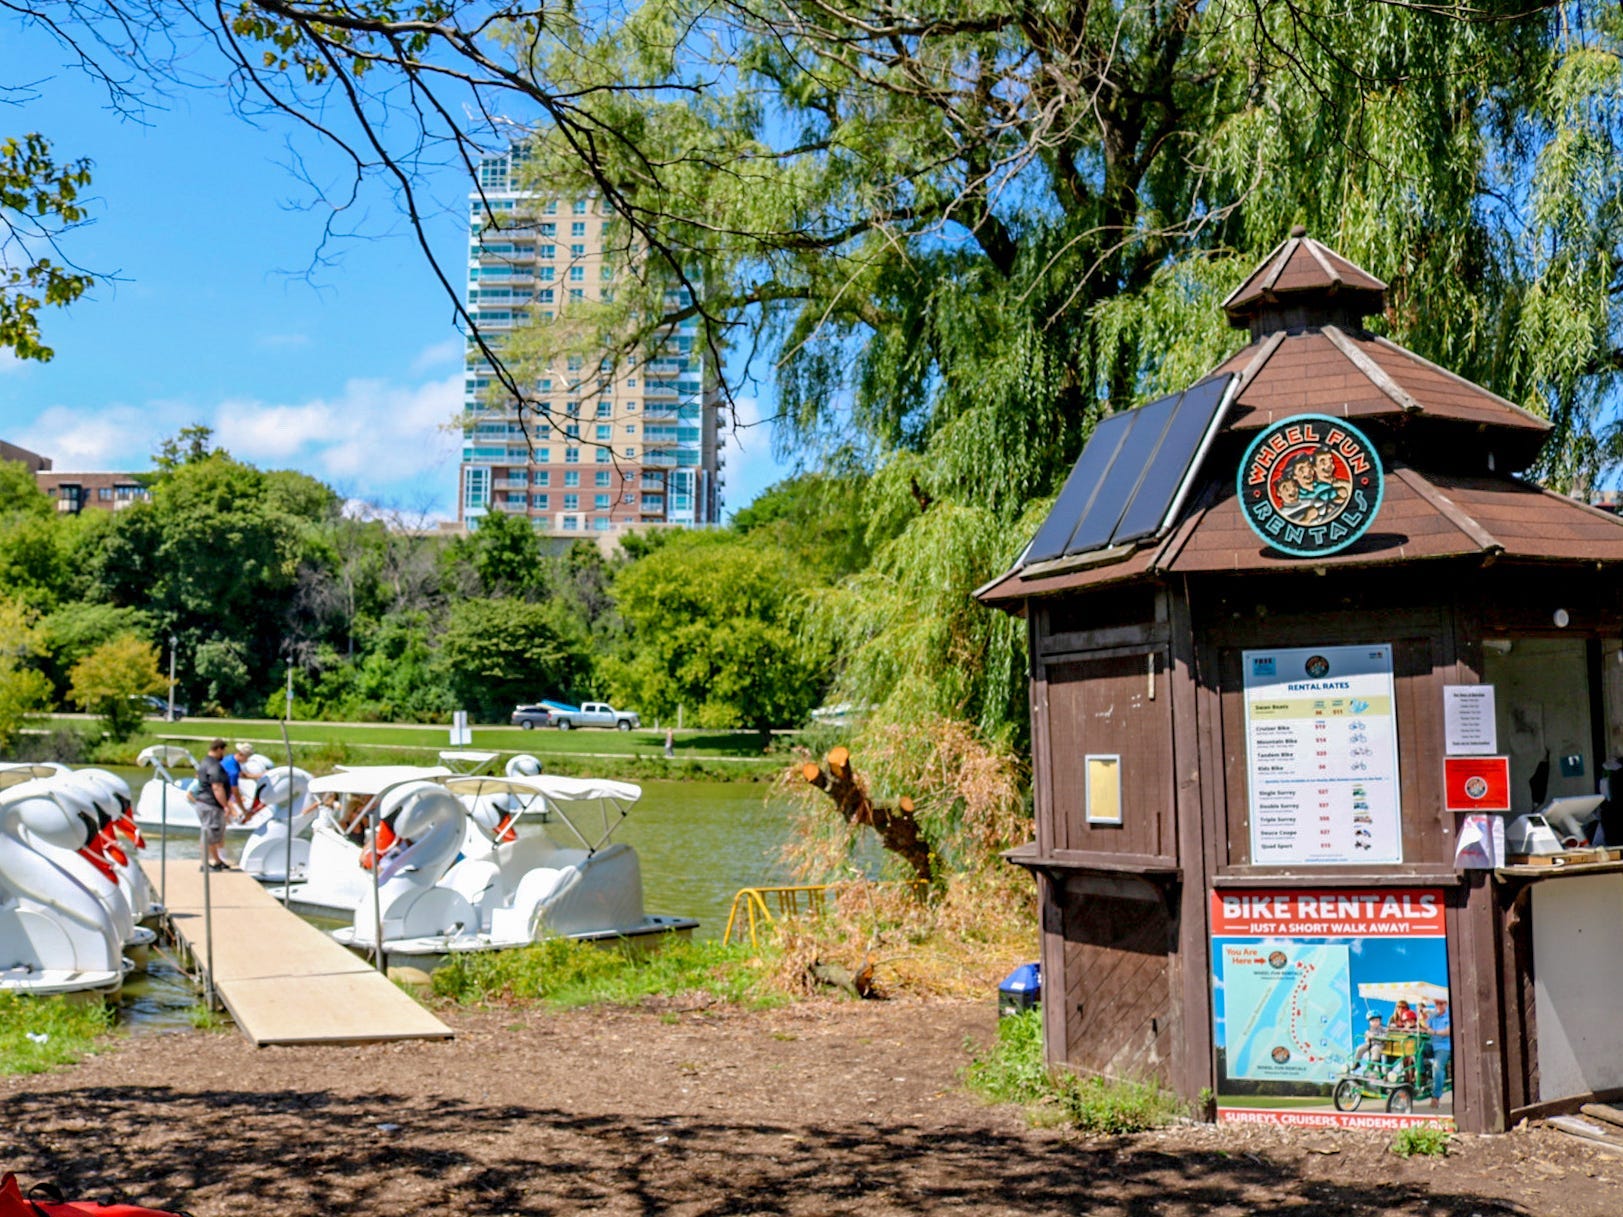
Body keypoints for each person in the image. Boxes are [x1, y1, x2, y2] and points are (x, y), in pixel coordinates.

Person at [193, 738, 233, 870]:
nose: (224, 755)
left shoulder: (204, 762)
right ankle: (204, 864)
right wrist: (225, 806)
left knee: (212, 834)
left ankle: (217, 861)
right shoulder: (214, 766)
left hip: (204, 803)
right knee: (209, 834)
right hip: (211, 805)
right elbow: (217, 787)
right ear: (219, 749)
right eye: (223, 751)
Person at [1423, 997, 1452, 1108]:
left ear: (1446, 1004)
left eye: (1441, 1003)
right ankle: (1421, 1074)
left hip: (1444, 1047)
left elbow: (1448, 1031)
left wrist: (1434, 1032)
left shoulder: (1450, 1015)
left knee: (1437, 1066)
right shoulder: (1433, 1015)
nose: (1438, 1006)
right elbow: (1426, 1026)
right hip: (1432, 1044)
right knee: (1415, 1051)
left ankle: (1436, 1097)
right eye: (1436, 1004)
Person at [221, 741, 254, 822]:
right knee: (229, 805)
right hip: (215, 789)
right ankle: (230, 825)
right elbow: (235, 793)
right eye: (247, 757)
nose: (247, 760)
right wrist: (244, 811)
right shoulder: (233, 771)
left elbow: (243, 775)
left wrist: (261, 775)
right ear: (241, 755)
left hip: (221, 786)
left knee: (231, 800)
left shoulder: (231, 758)